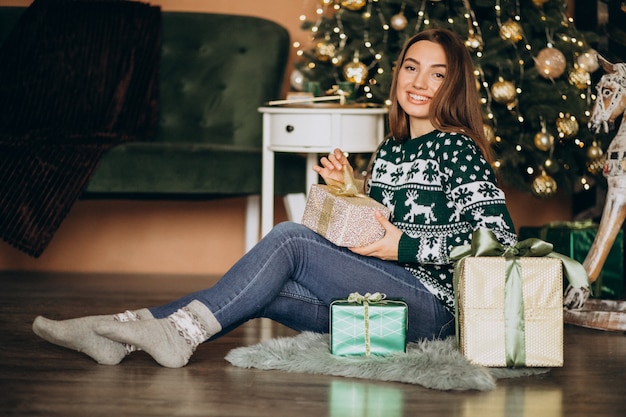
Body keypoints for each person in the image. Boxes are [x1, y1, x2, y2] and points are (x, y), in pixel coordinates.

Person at [32, 28, 517, 368]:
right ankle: (118, 332)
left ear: (453, 84)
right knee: (258, 292)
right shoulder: (391, 148)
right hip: (384, 300)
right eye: (411, 68)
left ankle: (171, 337)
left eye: (436, 74)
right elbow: (382, 225)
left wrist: (404, 248)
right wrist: (349, 189)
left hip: (435, 309)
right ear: (398, 75)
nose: (418, 82)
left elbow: (501, 241)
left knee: (290, 239)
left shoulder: (457, 146)